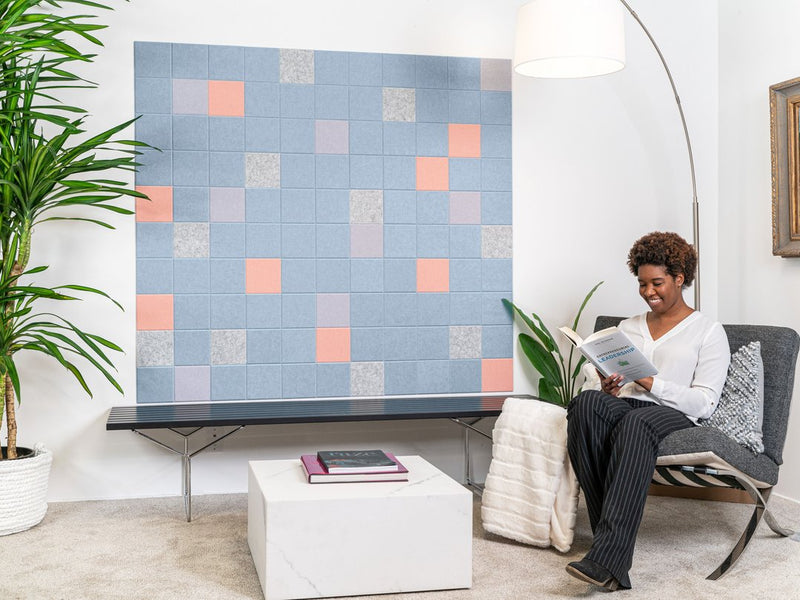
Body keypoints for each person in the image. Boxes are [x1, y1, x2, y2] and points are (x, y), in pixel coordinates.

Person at [565, 231, 730, 591]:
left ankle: (606, 559)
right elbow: (613, 385)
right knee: (585, 404)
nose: (648, 292)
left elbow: (704, 402)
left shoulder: (707, 331)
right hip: (627, 403)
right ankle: (608, 554)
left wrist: (652, 384)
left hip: (673, 414)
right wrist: (609, 386)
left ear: (679, 278)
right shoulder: (629, 327)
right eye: (642, 284)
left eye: (657, 283)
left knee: (637, 422)